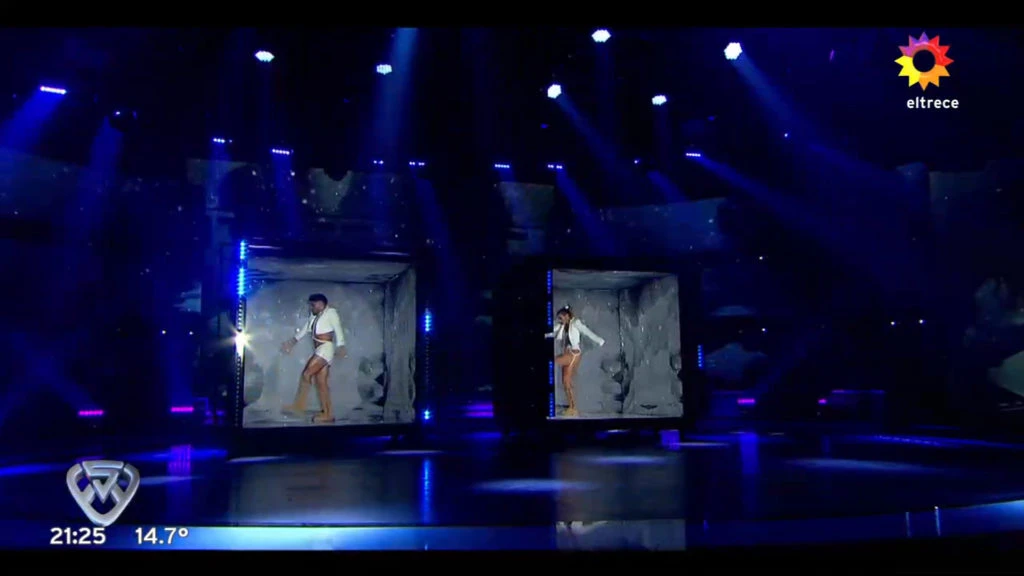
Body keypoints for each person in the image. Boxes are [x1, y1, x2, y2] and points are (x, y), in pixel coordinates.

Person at [281, 293, 347, 423]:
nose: (311, 307)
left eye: (313, 305)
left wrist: (341, 345)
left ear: (321, 304)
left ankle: (299, 406)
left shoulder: (331, 313)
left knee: (307, 374)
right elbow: (306, 329)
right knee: (321, 383)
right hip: (320, 348)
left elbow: (338, 328)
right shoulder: (314, 316)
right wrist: (292, 342)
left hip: (326, 348)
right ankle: (327, 413)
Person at [545, 305, 605, 417]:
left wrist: (599, 340)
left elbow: (587, 332)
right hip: (567, 353)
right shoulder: (562, 325)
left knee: (554, 362)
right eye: (559, 318)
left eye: (561, 317)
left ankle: (573, 408)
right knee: (566, 382)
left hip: (574, 354)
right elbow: (552, 332)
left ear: (567, 316)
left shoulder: (576, 323)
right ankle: (572, 408)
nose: (560, 320)